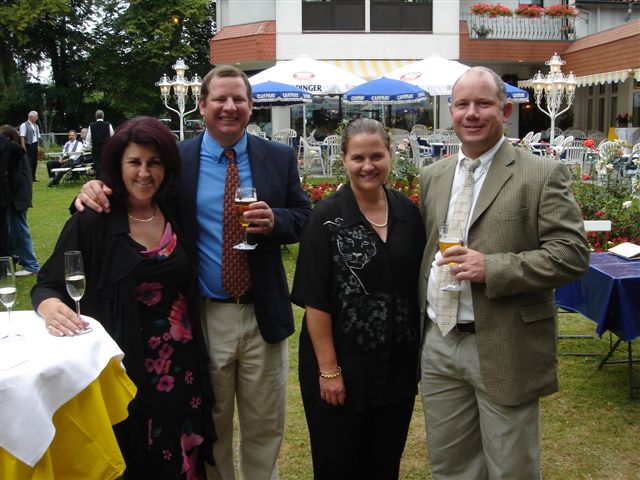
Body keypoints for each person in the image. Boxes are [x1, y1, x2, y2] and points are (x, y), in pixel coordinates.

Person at [75, 65, 311, 480]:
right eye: (219, 98)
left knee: (265, 424)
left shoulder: (278, 157)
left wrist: (277, 221)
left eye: (238, 98)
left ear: (251, 106)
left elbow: (304, 217)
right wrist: (93, 188)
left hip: (263, 314)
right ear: (201, 106)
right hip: (204, 315)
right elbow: (134, 190)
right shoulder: (176, 160)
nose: (229, 107)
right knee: (210, 425)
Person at [418, 66, 590, 479]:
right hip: (439, 342)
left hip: (504, 342)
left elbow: (571, 254)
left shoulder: (541, 173)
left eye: (483, 103)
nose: (472, 113)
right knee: (450, 467)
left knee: (511, 467)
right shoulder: (433, 176)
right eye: (462, 104)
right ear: (451, 111)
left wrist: (491, 267)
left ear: (506, 110)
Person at [32, 116, 215, 479]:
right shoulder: (94, 220)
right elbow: (47, 283)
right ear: (118, 165)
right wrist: (51, 306)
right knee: (136, 456)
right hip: (125, 368)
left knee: (183, 455)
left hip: (183, 366)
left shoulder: (174, 211)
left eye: (154, 162)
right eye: (134, 162)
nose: (144, 173)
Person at [291, 118, 425, 480]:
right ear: (345, 161)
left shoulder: (408, 215)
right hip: (341, 368)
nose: (368, 166)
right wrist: (329, 370)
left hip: (396, 368)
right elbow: (316, 302)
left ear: (389, 156)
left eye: (376, 156)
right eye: (358, 157)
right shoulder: (326, 218)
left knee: (384, 464)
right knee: (338, 465)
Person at [0, 125, 40, 277]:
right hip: (18, 196)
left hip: (18, 197)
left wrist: (8, 192)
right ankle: (19, 259)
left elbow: (15, 177)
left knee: (20, 230)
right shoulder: (16, 153)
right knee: (15, 230)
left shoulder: (15, 153)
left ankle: (31, 264)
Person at [0, 132, 23, 256]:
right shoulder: (4, 140)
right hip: (3, 192)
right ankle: (6, 264)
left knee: (3, 230)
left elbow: (20, 151)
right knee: (3, 230)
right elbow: (19, 151)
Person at [85, 109, 114, 179]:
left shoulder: (91, 126)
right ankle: (107, 179)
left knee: (98, 166)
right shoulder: (108, 125)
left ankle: (99, 179)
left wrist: (90, 147)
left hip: (96, 149)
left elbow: (88, 139)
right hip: (106, 148)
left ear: (95, 117)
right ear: (103, 116)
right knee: (106, 164)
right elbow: (113, 137)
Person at [19, 110, 40, 181]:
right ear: (31, 117)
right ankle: (28, 177)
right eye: (36, 117)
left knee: (34, 161)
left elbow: (37, 137)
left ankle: (33, 177)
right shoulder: (24, 125)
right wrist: (23, 146)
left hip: (35, 144)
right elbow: (22, 136)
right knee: (29, 161)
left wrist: (38, 146)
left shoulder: (36, 126)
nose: (37, 118)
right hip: (28, 144)